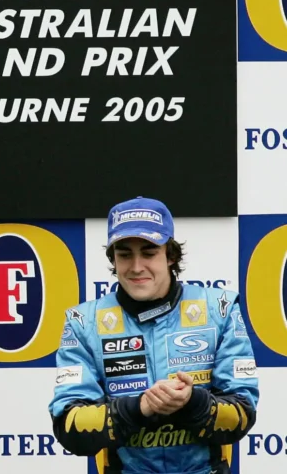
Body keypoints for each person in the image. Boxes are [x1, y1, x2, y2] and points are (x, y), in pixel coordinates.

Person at [49, 196, 259, 474]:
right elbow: (70, 429)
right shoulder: (83, 322)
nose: (136, 267)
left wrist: (191, 402)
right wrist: (141, 407)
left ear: (170, 255)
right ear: (113, 258)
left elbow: (242, 416)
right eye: (124, 254)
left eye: (149, 253)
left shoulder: (219, 310)